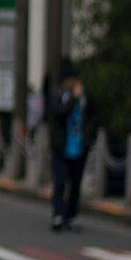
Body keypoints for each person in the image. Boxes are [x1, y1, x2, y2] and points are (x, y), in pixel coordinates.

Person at [46, 63, 97, 233]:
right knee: (60, 182)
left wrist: (90, 138)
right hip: (61, 146)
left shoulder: (85, 97)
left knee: (76, 184)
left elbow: (92, 117)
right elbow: (58, 113)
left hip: (80, 145)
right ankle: (58, 214)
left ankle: (71, 215)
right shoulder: (58, 95)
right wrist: (74, 99)